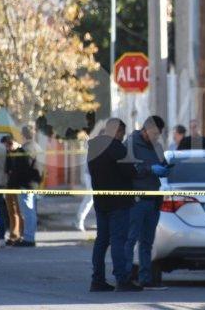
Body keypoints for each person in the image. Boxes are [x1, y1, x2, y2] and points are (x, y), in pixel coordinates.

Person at [87, 118, 142, 292]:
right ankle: (122, 279)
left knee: (101, 241)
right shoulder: (117, 148)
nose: (122, 137)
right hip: (119, 202)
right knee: (119, 241)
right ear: (117, 131)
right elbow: (130, 172)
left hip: (101, 201)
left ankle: (97, 279)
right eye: (122, 133)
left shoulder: (93, 148)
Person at [124, 115, 169, 290]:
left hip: (153, 199)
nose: (157, 137)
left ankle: (145, 278)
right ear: (146, 130)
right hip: (137, 200)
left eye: (159, 134)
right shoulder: (130, 144)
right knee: (130, 239)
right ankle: (125, 277)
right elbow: (128, 169)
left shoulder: (157, 146)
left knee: (147, 243)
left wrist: (165, 169)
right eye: (155, 133)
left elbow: (162, 163)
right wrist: (149, 169)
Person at [13, 126, 43, 247]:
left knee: (28, 212)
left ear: (22, 135)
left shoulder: (24, 150)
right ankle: (29, 236)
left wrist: (15, 184)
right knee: (32, 212)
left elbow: (19, 170)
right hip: (35, 184)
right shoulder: (38, 147)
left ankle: (29, 238)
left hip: (26, 185)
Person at [2, 136, 24, 246]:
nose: (8, 147)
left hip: (18, 186)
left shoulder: (21, 152)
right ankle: (13, 234)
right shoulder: (8, 154)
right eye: (6, 145)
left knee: (18, 212)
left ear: (16, 142)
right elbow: (7, 170)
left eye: (10, 144)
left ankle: (19, 234)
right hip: (9, 185)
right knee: (11, 212)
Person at [75, 131, 93, 232]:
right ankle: (79, 220)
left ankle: (79, 220)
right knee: (90, 198)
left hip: (94, 175)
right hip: (90, 175)